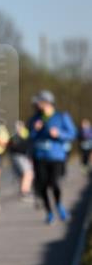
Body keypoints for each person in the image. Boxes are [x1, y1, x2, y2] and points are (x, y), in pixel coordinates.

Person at [28, 90, 77, 224]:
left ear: (48, 102)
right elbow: (29, 137)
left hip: (56, 156)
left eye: (39, 102)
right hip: (39, 156)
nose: (37, 105)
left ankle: (59, 205)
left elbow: (72, 134)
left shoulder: (61, 116)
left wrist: (59, 134)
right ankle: (49, 212)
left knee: (55, 183)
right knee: (42, 186)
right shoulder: (35, 118)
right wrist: (34, 130)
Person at [8, 120, 34, 201]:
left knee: (26, 174)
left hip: (23, 156)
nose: (20, 128)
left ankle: (25, 191)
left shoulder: (25, 135)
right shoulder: (14, 137)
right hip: (18, 156)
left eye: (21, 127)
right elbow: (16, 148)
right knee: (27, 173)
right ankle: (24, 193)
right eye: (18, 127)